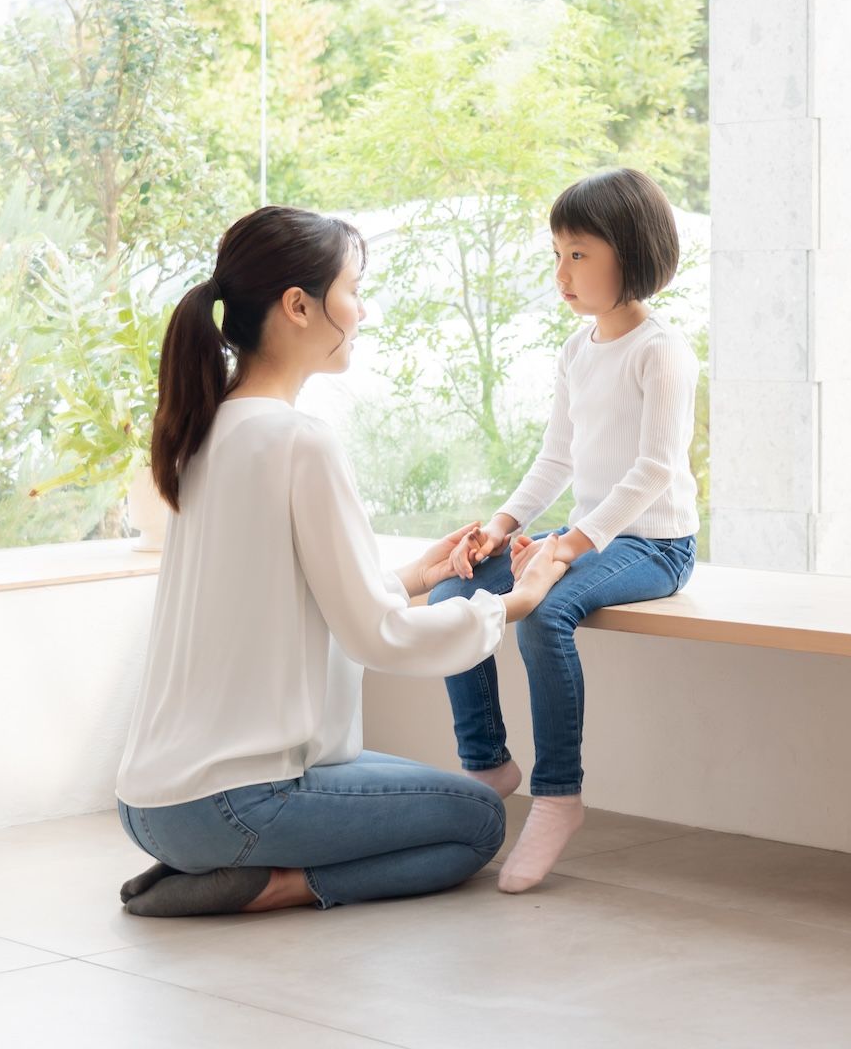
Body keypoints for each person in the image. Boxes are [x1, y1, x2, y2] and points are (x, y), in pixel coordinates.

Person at [114, 205, 569, 916]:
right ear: (299, 306)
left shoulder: (204, 431)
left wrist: (420, 577)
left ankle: (207, 868)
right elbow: (376, 636)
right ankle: (273, 884)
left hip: (150, 804)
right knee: (480, 821)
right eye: (353, 289)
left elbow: (284, 595)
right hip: (235, 806)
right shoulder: (300, 440)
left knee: (448, 795)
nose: (361, 310)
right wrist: (513, 602)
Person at [433, 169, 700, 893]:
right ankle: (487, 763)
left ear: (632, 252)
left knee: (544, 615)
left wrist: (568, 548)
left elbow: (652, 470)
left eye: (578, 254)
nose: (562, 273)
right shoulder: (577, 352)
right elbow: (556, 457)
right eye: (557, 253)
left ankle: (557, 798)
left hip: (653, 544)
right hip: (587, 532)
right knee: (453, 595)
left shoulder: (661, 352)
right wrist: (500, 528)